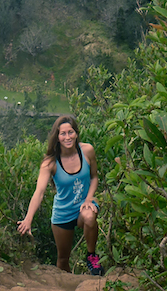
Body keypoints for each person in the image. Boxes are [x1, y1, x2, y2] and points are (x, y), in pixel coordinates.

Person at [17, 114, 103, 276]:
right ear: (57, 136)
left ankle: (92, 257)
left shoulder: (87, 151)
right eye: (63, 133)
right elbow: (39, 192)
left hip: (84, 205)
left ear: (76, 133)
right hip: (63, 213)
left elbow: (94, 177)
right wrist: (28, 219)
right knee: (63, 259)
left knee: (90, 216)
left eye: (70, 132)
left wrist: (89, 197)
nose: (67, 137)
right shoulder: (50, 163)